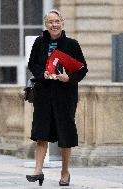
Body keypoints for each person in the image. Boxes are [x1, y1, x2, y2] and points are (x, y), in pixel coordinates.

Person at [25, 9, 88, 186]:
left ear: (62, 23)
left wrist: (69, 78)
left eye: (57, 21)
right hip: (44, 94)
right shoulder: (39, 42)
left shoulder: (72, 44)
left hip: (65, 96)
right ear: (46, 25)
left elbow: (82, 69)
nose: (54, 25)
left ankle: (65, 172)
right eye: (51, 22)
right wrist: (41, 74)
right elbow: (32, 64)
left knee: (65, 135)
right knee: (41, 133)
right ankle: (38, 171)